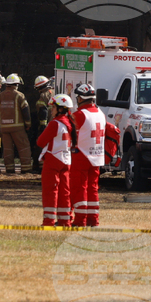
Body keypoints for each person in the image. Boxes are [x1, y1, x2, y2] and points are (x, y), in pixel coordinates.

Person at [70, 83, 118, 227]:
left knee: (79, 188)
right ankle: (93, 220)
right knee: (92, 189)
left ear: (80, 98)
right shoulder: (100, 113)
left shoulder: (78, 115)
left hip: (81, 156)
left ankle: (80, 221)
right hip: (96, 156)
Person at [36, 94, 77, 226]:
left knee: (50, 191)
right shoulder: (70, 123)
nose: (51, 110)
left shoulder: (55, 124)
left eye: (53, 107)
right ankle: (65, 220)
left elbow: (40, 142)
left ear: (60, 109)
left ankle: (49, 221)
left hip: (53, 160)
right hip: (66, 160)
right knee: (65, 191)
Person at [0, 73, 32, 174]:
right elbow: (25, 111)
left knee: (7, 149)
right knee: (24, 147)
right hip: (18, 127)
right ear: (16, 84)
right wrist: (28, 124)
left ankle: (9, 169)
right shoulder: (19, 95)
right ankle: (26, 168)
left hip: (4, 128)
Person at [31, 76, 55, 173]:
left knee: (40, 144)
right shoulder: (54, 92)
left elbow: (42, 112)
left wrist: (42, 126)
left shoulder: (43, 96)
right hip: (57, 123)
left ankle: (39, 166)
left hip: (47, 125)